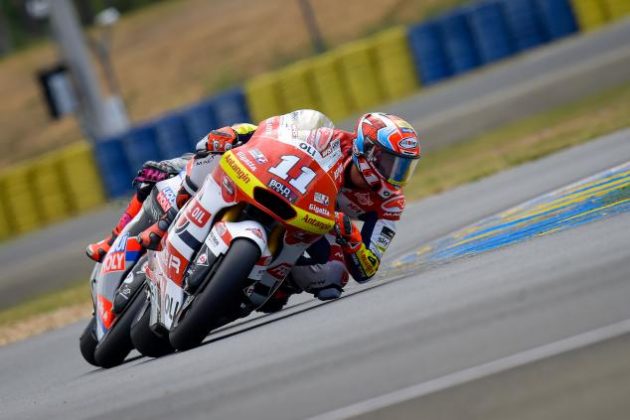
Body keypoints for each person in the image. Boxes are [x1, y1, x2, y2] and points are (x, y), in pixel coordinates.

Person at [88, 110, 421, 311]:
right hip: (274, 184)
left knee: (333, 278)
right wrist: (233, 133)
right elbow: (272, 132)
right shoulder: (332, 139)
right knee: (169, 173)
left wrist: (348, 233)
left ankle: (268, 283)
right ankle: (120, 237)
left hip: (317, 224)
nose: (395, 176)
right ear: (366, 151)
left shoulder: (390, 202)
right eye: (390, 163)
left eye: (403, 168)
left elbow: (367, 269)